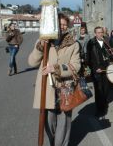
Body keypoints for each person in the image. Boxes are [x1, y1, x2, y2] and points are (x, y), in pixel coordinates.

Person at [28, 13, 81, 146]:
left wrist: (56, 69)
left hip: (65, 88)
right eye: (59, 24)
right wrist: (40, 47)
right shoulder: (44, 42)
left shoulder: (73, 44)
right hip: (48, 89)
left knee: (64, 123)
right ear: (54, 25)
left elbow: (76, 66)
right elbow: (32, 63)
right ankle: (53, 143)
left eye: (64, 24)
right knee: (48, 122)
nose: (62, 27)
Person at [86, 26, 112, 118]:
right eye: (98, 32)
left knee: (106, 90)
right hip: (97, 71)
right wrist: (94, 68)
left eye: (101, 32)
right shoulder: (91, 43)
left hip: (107, 70)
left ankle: (104, 107)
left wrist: (112, 52)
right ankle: (99, 110)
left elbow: (111, 55)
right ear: (95, 33)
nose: (100, 34)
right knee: (98, 91)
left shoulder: (106, 42)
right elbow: (88, 59)